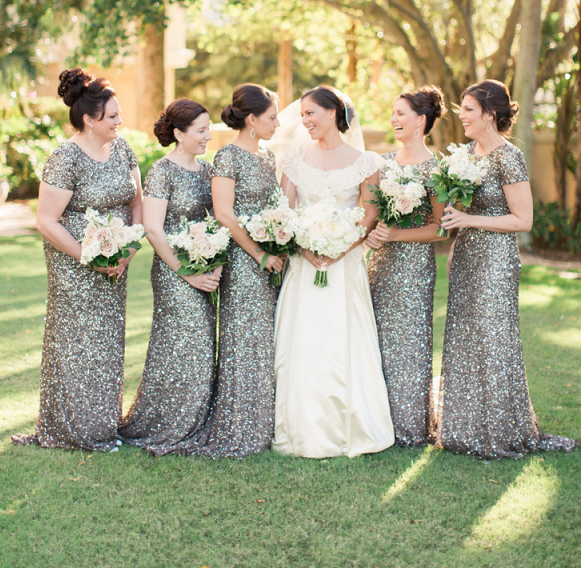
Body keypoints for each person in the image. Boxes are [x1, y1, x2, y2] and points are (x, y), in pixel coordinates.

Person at [437, 80, 578, 458]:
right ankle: (463, 429)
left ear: (490, 114)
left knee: (494, 342)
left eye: (468, 109)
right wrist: (455, 246)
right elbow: (460, 212)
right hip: (466, 256)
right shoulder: (467, 153)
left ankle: (499, 430)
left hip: (496, 261)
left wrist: (470, 219)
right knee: (465, 338)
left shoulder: (508, 156)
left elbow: (523, 220)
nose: (462, 116)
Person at [13, 68, 142, 452]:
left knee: (107, 342)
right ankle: (72, 430)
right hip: (73, 265)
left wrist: (127, 250)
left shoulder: (123, 149)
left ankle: (103, 425)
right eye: (113, 116)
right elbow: (46, 221)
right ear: (89, 119)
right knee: (75, 343)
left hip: (115, 265)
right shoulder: (64, 158)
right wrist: (90, 256)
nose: (120, 122)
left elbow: (136, 203)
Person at [271, 86, 394, 458]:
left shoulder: (366, 161)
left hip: (345, 265)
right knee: (304, 339)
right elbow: (284, 209)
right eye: (303, 114)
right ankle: (300, 429)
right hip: (304, 264)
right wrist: (305, 246)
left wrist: (340, 248)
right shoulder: (293, 158)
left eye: (311, 113)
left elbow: (368, 213)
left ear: (332, 113)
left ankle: (351, 429)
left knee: (343, 339)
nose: (304, 121)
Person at [178, 83, 282, 458]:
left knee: (267, 341)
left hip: (272, 258)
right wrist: (259, 254)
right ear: (252, 120)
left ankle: (266, 422)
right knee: (244, 340)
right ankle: (240, 425)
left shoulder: (269, 157)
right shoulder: (227, 157)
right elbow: (224, 213)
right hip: (244, 262)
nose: (278, 123)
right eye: (272, 117)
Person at [119, 99, 221, 454]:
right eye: (201, 130)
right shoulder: (162, 171)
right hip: (174, 271)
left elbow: (217, 222)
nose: (208, 136)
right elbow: (152, 229)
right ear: (179, 134)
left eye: (209, 129)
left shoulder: (207, 171)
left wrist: (215, 262)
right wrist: (188, 274)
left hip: (205, 267)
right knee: (182, 343)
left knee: (202, 343)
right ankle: (166, 423)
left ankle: (195, 419)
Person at [367, 86, 446, 446]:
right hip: (380, 264)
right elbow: (366, 215)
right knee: (376, 338)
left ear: (421, 120)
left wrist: (396, 235)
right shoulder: (381, 163)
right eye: (393, 113)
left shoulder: (438, 168)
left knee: (412, 341)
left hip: (414, 266)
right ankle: (376, 421)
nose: (394, 119)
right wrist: (370, 234)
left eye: (401, 113)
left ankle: (410, 427)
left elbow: (441, 227)